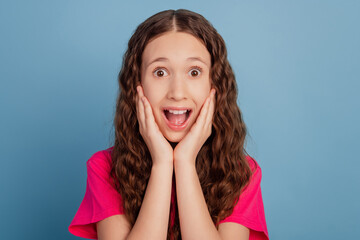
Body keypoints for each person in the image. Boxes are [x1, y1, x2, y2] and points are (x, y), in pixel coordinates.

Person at [68, 9, 269, 240]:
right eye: (160, 72)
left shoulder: (242, 173)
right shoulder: (104, 168)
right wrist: (162, 164)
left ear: (214, 85)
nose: (177, 92)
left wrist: (184, 162)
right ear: (137, 84)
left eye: (194, 72)